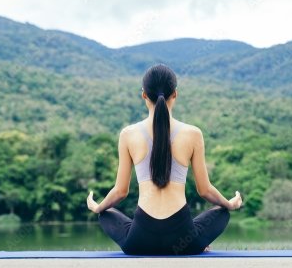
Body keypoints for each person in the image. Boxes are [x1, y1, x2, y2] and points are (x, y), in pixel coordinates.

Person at [86, 64, 243, 255]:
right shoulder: (193, 134)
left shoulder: (128, 134)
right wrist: (230, 204)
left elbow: (120, 192)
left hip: (139, 242)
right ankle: (199, 240)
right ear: (175, 94)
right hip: (185, 241)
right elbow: (205, 190)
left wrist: (97, 207)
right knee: (221, 213)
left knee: (106, 214)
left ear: (144, 95)